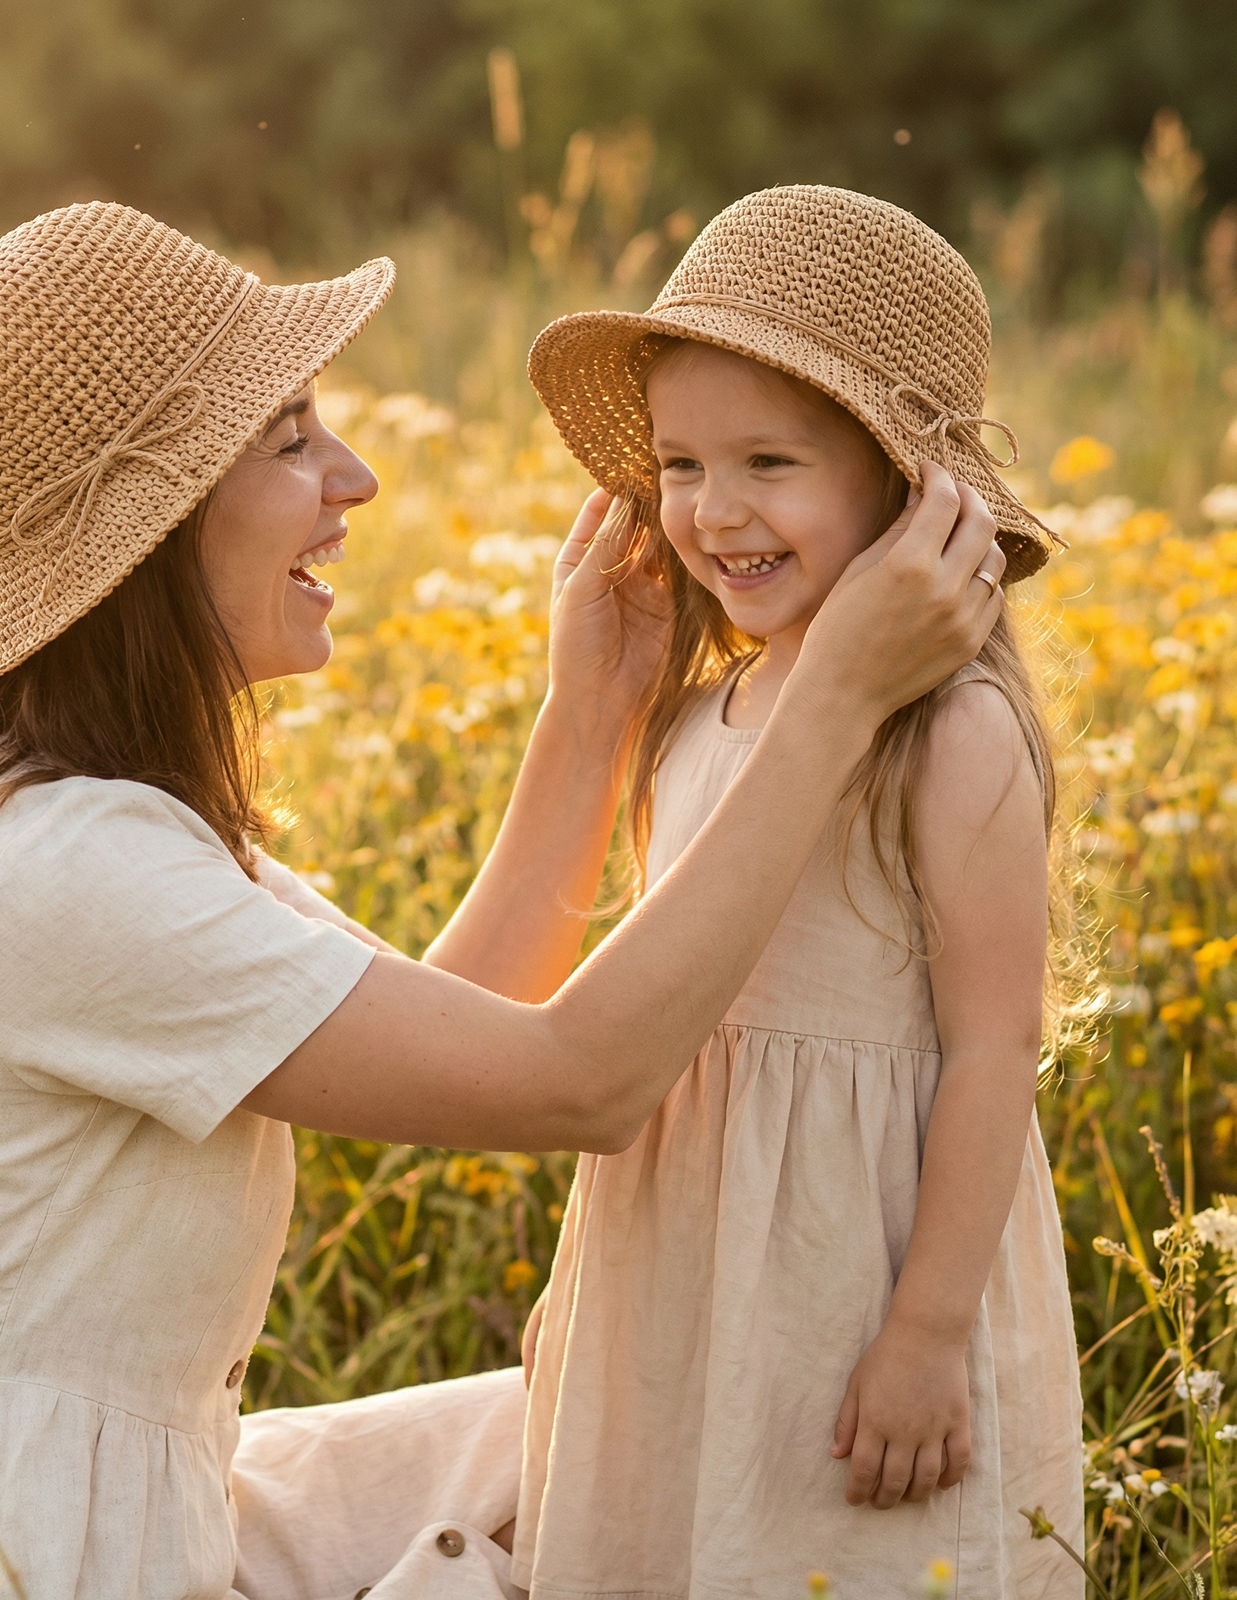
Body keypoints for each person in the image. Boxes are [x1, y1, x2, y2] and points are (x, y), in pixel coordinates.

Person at [0, 200, 1003, 1600]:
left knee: (621, 1415)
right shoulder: (58, 869)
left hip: (73, 1483)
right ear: (154, 524)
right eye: (290, 438)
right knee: (644, 1447)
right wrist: (836, 703)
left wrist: (592, 716)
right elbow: (579, 1083)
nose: (355, 479)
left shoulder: (81, 807)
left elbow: (464, 1018)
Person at [512, 185, 1084, 1599]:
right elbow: (654, 1012)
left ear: (904, 487)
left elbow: (994, 1048)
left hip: (865, 1274)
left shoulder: (950, 731)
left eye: (770, 461)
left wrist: (928, 1334)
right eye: (681, 464)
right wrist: (579, 1292)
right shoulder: (694, 714)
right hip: (679, 1267)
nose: (715, 511)